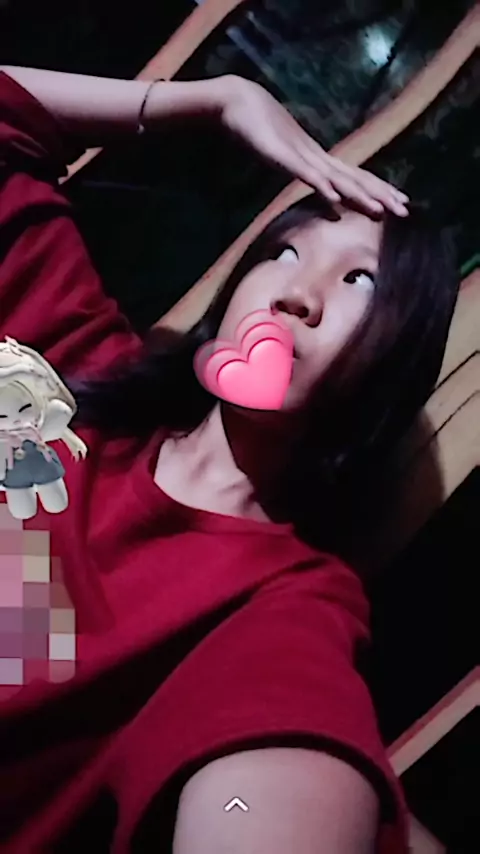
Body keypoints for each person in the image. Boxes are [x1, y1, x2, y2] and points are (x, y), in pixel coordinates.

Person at [0, 67, 457, 854]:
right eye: (284, 251)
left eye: (360, 279)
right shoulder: (72, 370)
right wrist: (210, 101)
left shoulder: (277, 607)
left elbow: (284, 741)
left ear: (397, 357)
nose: (297, 293)